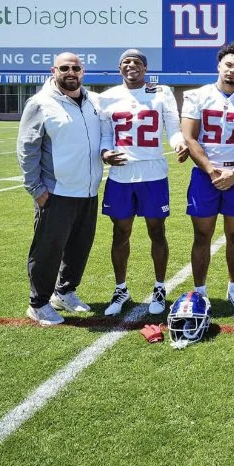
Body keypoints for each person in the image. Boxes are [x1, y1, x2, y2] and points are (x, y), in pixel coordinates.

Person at [96, 49, 187, 317]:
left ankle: (160, 287)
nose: (131, 65)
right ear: (119, 68)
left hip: (153, 174)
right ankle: (120, 288)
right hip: (121, 175)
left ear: (145, 68)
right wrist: (104, 153)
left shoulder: (162, 92)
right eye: (126, 62)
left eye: (137, 62)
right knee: (120, 232)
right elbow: (104, 135)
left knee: (156, 231)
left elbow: (173, 126)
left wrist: (179, 143)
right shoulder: (106, 97)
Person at [17, 52, 103, 326]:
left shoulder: (92, 101)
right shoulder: (41, 103)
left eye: (75, 68)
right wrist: (36, 188)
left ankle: (64, 292)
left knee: (79, 247)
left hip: (87, 190)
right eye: (64, 68)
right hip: (56, 192)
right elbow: (27, 149)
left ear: (83, 71)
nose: (70, 72)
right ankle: (38, 303)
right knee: (48, 250)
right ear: (54, 70)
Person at [181, 43, 234, 308]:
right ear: (219, 66)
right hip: (206, 175)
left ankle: (233, 287)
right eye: (229, 65)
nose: (232, 71)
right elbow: (190, 138)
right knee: (202, 236)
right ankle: (200, 290)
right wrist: (212, 170)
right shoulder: (197, 96)